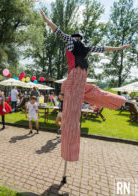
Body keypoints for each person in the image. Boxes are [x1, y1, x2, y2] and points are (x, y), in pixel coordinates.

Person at [40, 9, 130, 162]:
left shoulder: (80, 45)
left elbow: (102, 49)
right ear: (78, 38)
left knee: (83, 99)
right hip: (77, 75)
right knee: (77, 103)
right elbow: (58, 31)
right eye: (78, 38)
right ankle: (117, 101)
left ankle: (116, 101)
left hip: (78, 75)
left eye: (78, 38)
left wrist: (119, 48)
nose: (78, 39)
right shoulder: (74, 43)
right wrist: (46, 19)